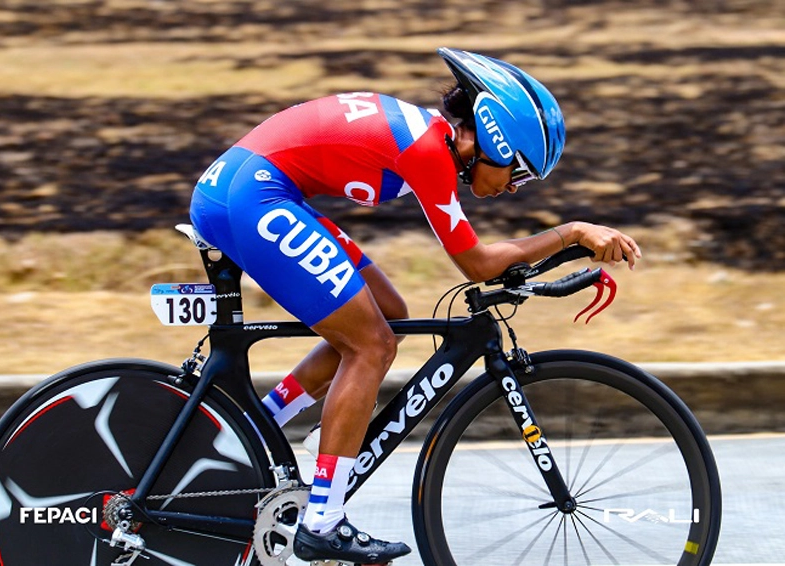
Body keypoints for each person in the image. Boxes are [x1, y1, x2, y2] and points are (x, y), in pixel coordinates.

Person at [189, 47, 641, 564]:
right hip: (251, 198)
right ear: (493, 139)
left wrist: (562, 244)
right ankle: (322, 520)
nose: (512, 189)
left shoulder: (433, 142)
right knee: (371, 346)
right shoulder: (429, 151)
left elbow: (482, 259)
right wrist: (572, 233)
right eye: (517, 174)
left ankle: (256, 427)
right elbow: (477, 264)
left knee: (390, 312)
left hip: (256, 191)